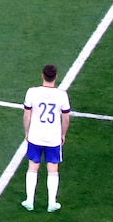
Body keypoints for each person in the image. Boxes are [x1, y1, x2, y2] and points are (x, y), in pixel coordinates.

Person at [21, 64, 70, 213]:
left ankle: (30, 200)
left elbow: (26, 115)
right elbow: (66, 118)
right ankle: (51, 203)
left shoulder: (32, 92)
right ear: (56, 77)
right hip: (53, 138)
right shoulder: (62, 95)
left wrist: (27, 132)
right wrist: (63, 134)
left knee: (33, 166)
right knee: (53, 168)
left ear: (42, 75)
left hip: (36, 136)